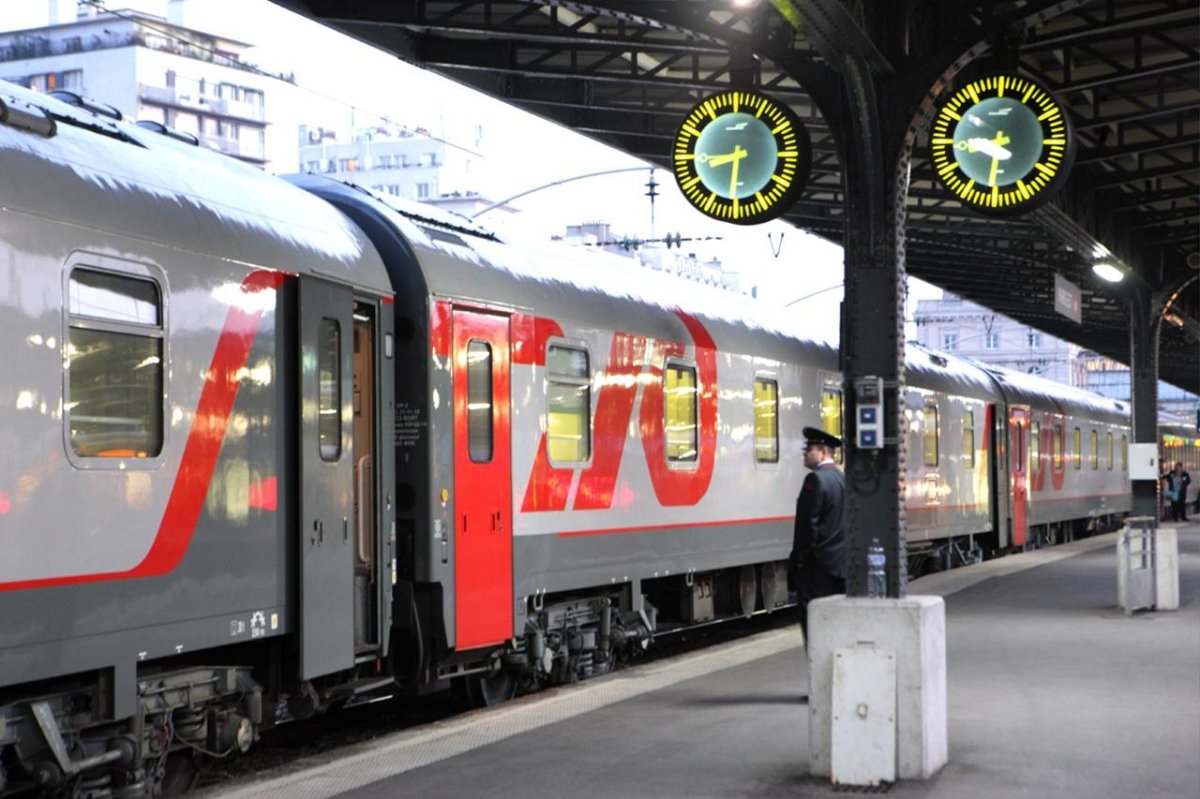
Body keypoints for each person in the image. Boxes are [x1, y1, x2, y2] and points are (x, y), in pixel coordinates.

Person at [789, 426, 847, 643]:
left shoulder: (815, 480)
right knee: (835, 626)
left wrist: (800, 561)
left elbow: (807, 527)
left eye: (809, 448)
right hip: (840, 567)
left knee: (814, 629)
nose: (805, 452)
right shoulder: (842, 479)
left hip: (816, 569)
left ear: (823, 452)